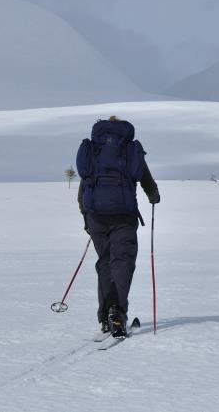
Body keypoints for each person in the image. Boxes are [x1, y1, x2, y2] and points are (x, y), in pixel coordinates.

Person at [76, 115, 160, 337]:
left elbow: (84, 185)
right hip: (124, 216)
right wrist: (153, 196)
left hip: (96, 217)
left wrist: (86, 216)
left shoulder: (94, 149)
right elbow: (145, 179)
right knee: (122, 262)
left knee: (105, 263)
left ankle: (105, 316)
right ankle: (117, 313)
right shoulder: (128, 149)